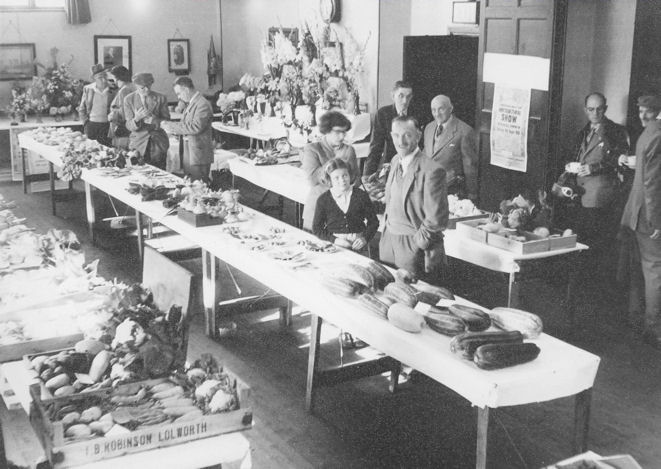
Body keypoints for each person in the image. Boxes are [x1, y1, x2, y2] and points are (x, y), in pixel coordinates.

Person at [379, 115, 449, 281]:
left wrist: (417, 244)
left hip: (414, 248)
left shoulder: (432, 170)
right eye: (396, 135)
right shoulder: (395, 160)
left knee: (414, 299)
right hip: (389, 242)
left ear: (418, 136)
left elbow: (437, 219)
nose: (400, 141)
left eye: (407, 135)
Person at [561, 92, 629, 259]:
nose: (595, 113)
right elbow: (575, 156)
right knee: (580, 242)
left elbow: (621, 160)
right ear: (586, 110)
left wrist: (595, 168)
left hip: (600, 196)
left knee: (596, 246)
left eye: (599, 109)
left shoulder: (615, 131)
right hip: (579, 194)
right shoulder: (583, 132)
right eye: (591, 109)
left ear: (605, 109)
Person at [620, 95, 661, 347]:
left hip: (635, 212)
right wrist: (655, 221)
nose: (643, 116)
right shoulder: (658, 134)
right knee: (655, 268)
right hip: (649, 214)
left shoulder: (648, 133)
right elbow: (652, 183)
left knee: (641, 269)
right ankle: (654, 329)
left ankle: (636, 318)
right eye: (641, 112)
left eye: (647, 112)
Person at [301, 111, 359, 230]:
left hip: (342, 209)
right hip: (316, 209)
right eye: (338, 132)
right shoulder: (312, 150)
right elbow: (313, 180)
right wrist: (337, 161)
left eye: (344, 132)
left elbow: (354, 180)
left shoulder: (349, 150)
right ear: (326, 131)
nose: (342, 136)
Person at [312, 158, 378, 252]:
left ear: (350, 175)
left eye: (345, 175)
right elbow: (317, 229)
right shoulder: (323, 200)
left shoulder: (360, 195)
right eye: (336, 177)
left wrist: (365, 238)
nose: (342, 180)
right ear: (329, 179)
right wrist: (335, 240)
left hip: (359, 245)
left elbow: (374, 222)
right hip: (334, 245)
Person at [422, 95, 479, 201]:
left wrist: (472, 193)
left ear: (451, 108)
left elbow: (470, 166)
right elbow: (425, 156)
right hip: (428, 188)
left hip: (451, 191)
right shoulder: (429, 128)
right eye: (433, 110)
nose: (437, 113)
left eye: (441, 109)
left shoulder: (465, 131)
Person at [161, 76, 214, 182]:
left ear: (186, 89)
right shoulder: (192, 103)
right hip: (190, 151)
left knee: (198, 186)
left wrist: (171, 126)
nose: (179, 97)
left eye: (179, 93)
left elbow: (195, 127)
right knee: (191, 184)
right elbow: (186, 125)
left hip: (198, 154)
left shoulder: (202, 104)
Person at [362, 81, 414, 181]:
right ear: (393, 96)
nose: (404, 101)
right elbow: (376, 146)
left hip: (413, 164)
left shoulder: (417, 113)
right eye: (401, 96)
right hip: (391, 165)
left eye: (408, 97)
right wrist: (367, 175)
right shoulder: (383, 114)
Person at [124, 73, 170, 169]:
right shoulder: (128, 99)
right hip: (138, 144)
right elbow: (128, 125)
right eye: (143, 88)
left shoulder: (161, 98)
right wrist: (136, 119)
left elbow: (167, 121)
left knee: (160, 174)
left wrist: (154, 120)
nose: (147, 90)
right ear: (136, 86)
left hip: (158, 143)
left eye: (149, 86)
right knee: (138, 174)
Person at [77, 64, 115, 146]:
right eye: (100, 77)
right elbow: (82, 109)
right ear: (94, 78)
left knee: (107, 150)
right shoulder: (88, 89)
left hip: (107, 126)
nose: (103, 80)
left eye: (105, 76)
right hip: (91, 125)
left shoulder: (113, 89)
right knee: (91, 149)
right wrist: (86, 123)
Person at [107, 65, 136, 150]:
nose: (113, 81)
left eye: (113, 78)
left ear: (117, 77)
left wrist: (112, 115)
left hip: (122, 131)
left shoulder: (124, 90)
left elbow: (124, 113)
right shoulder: (132, 86)